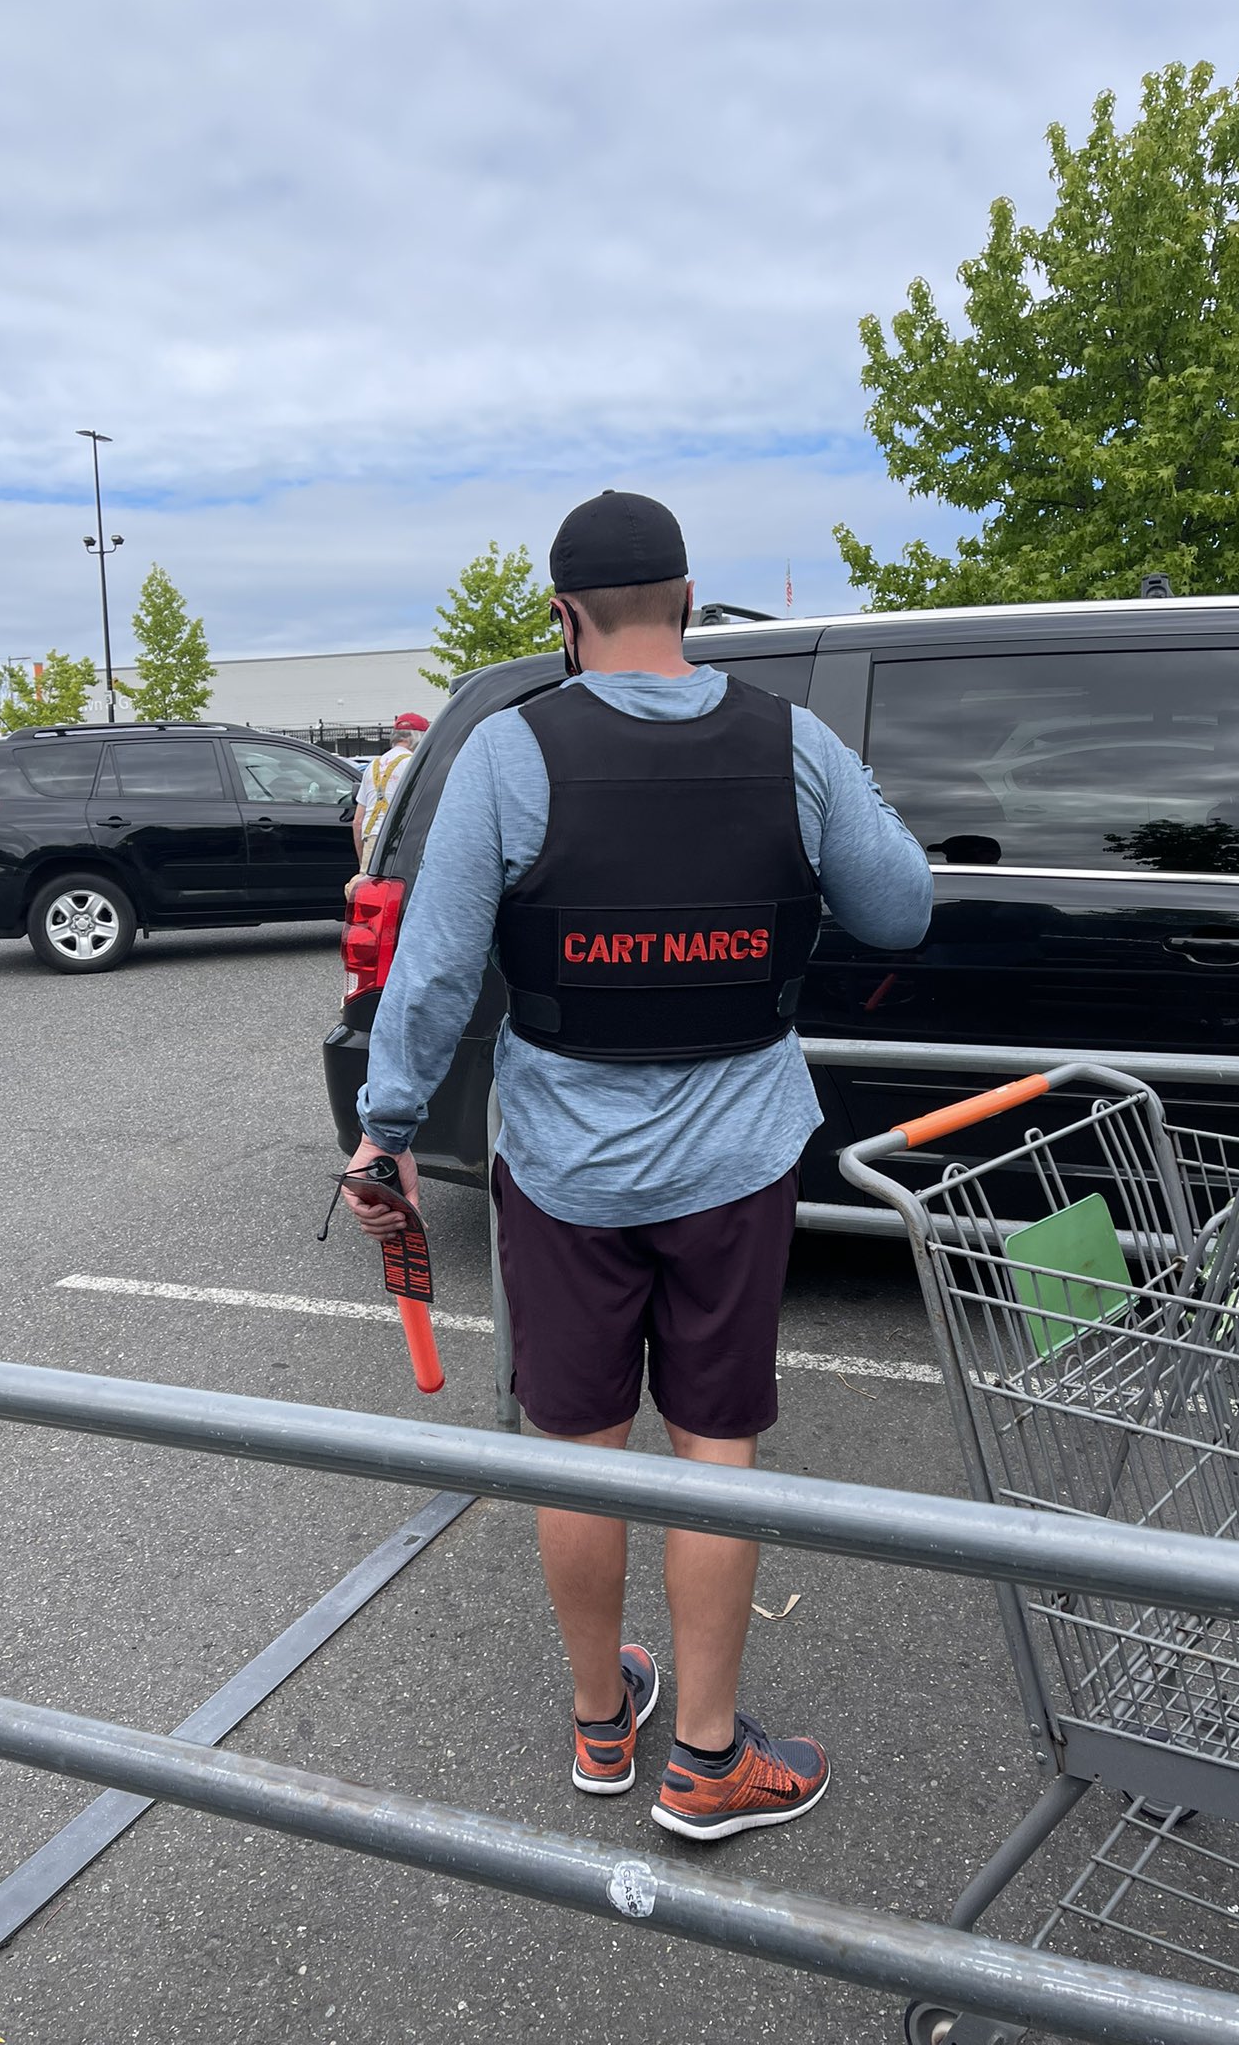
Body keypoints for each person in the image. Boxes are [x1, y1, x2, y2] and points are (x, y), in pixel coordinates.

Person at [342, 492, 932, 1841]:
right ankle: (712, 1760)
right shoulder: (791, 740)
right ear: (684, 601)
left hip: (561, 1169)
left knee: (580, 1447)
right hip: (737, 1161)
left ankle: (603, 1726)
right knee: (715, 1445)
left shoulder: (507, 751)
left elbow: (430, 980)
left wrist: (384, 1130)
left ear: (563, 619)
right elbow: (900, 905)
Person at [353, 711, 430, 870]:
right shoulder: (414, 764)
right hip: (402, 843)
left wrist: (363, 864)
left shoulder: (372, 766)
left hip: (372, 839)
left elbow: (358, 821)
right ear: (419, 738)